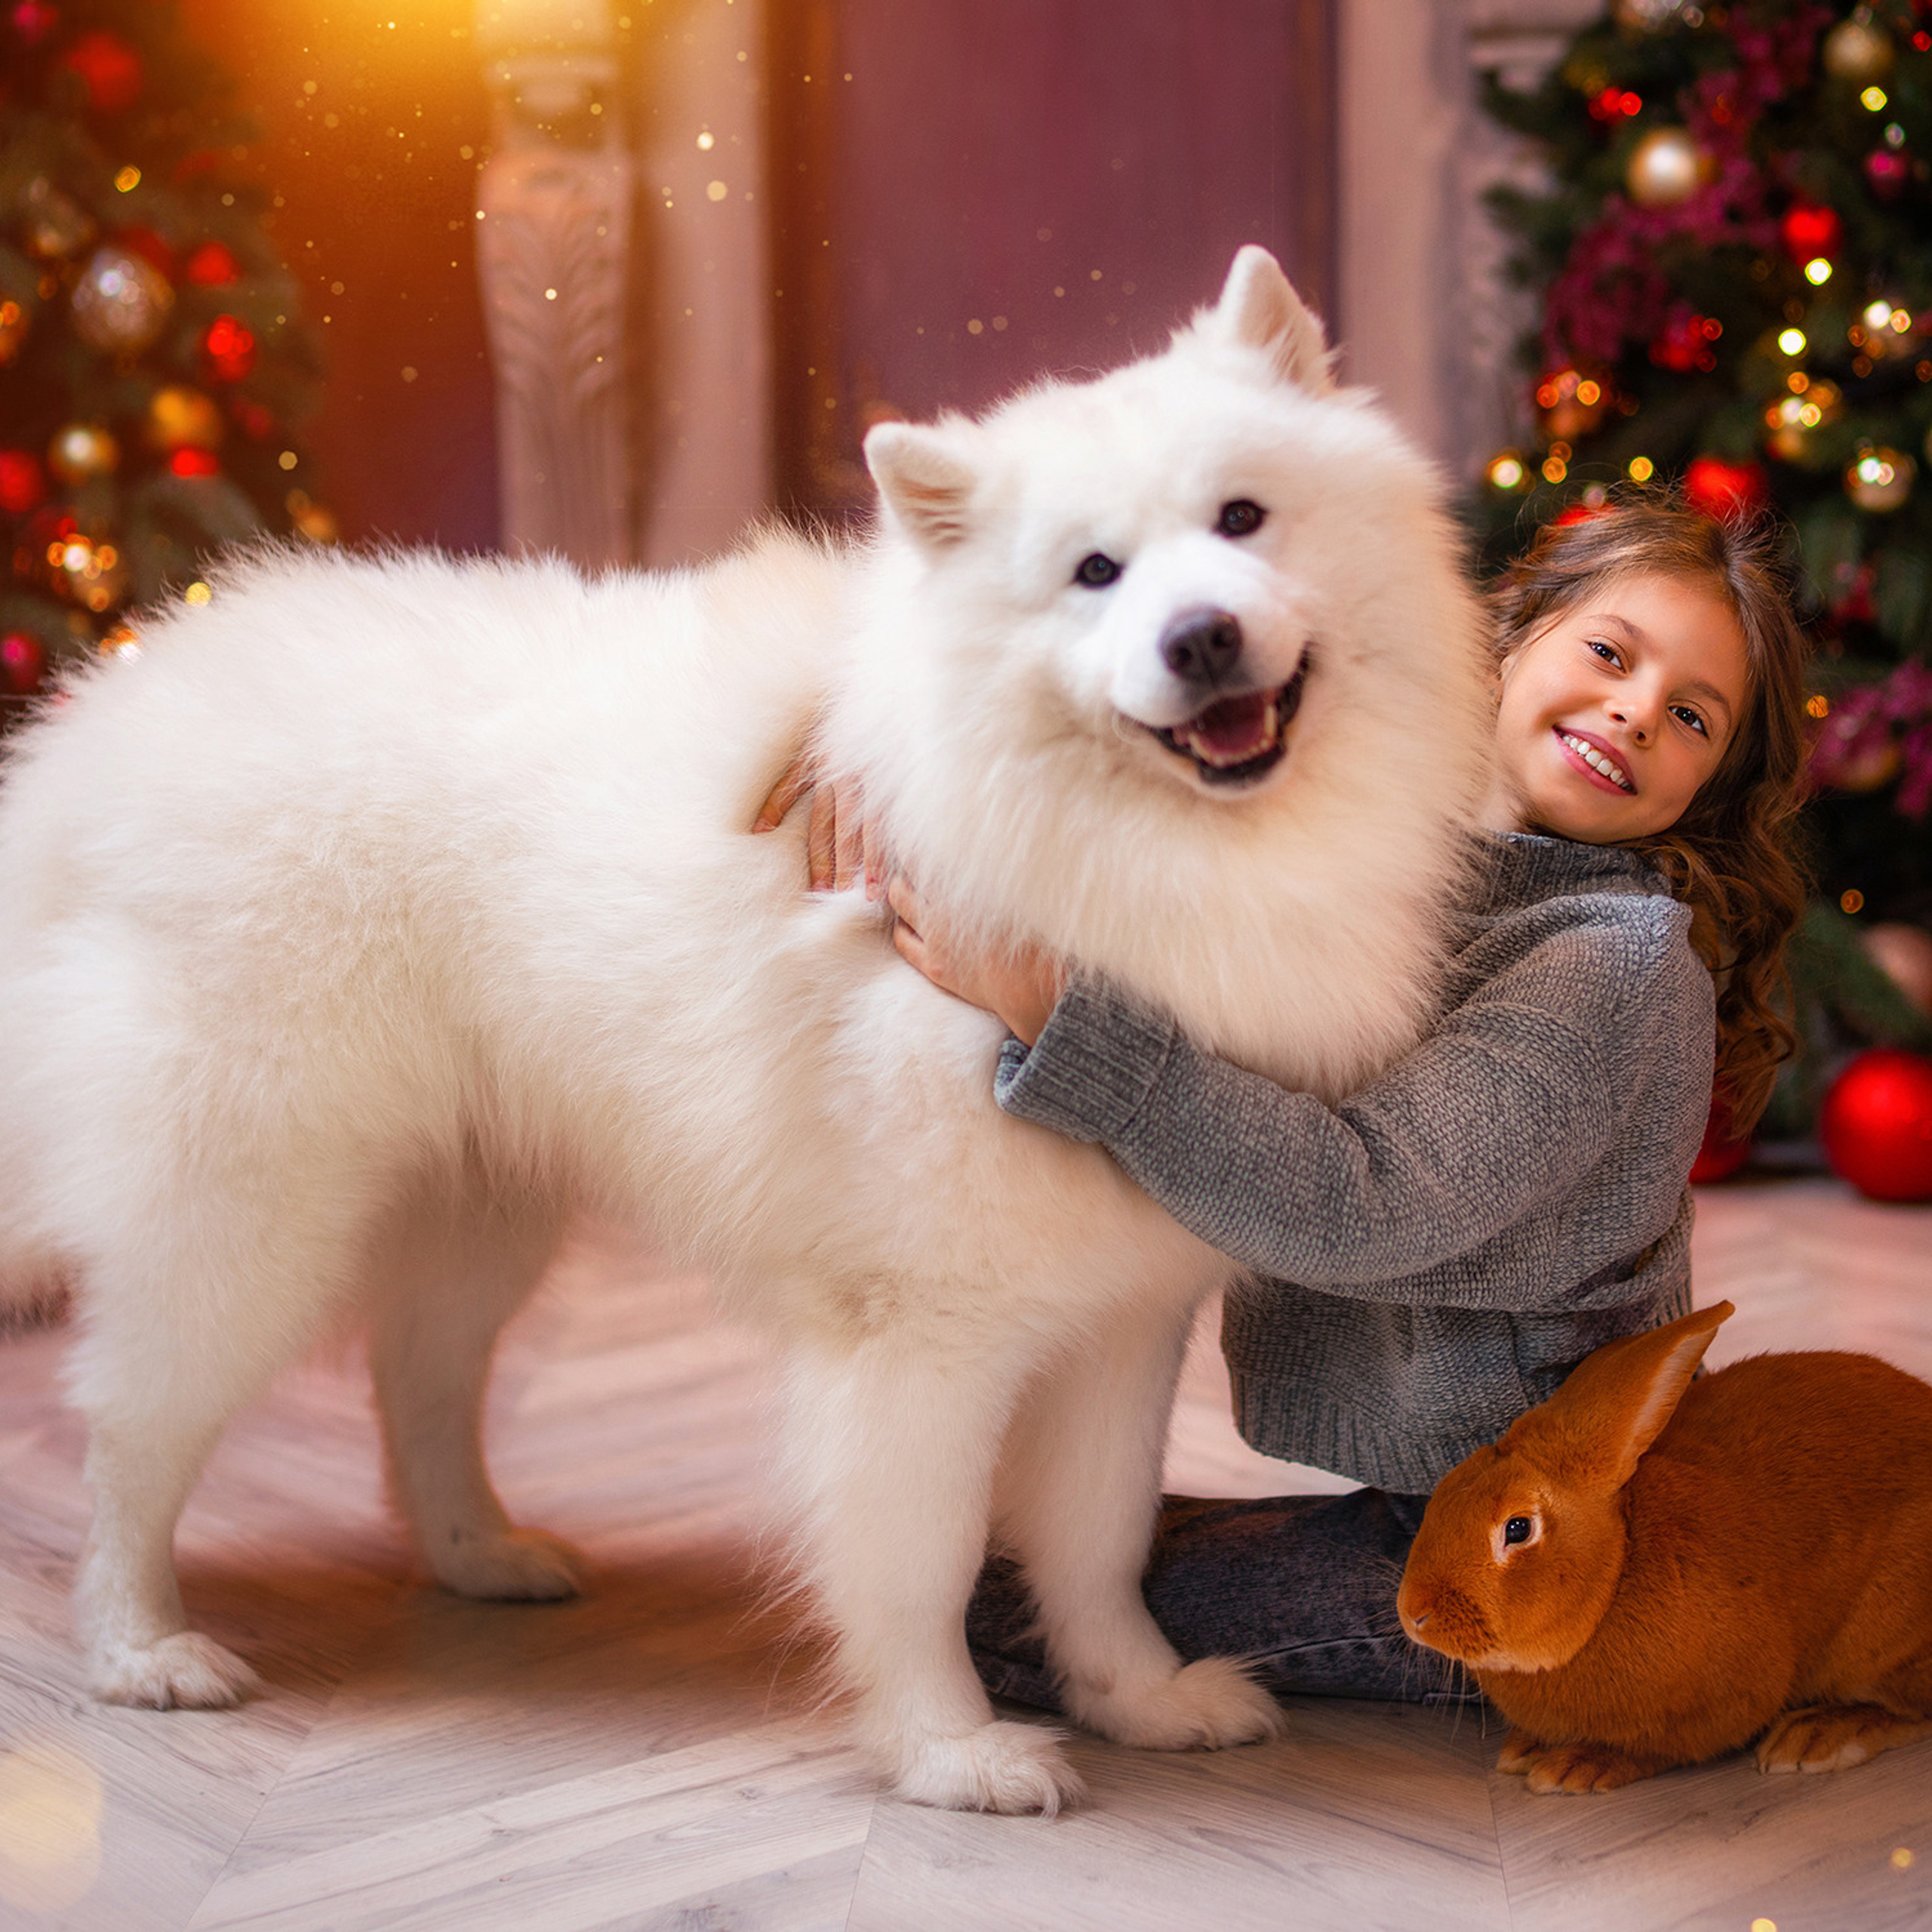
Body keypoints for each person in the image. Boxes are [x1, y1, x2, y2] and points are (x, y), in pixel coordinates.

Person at [758, 494, 1813, 1709]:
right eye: (1611, 653)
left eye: (1691, 717)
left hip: (1521, 1540)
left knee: (1028, 1609)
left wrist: (1058, 1014)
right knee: (1029, 1557)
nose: (1635, 711)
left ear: (1707, 789)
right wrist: (866, 737)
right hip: (1432, 1488)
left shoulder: (1616, 966)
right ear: (1511, 637)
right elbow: (1128, 722)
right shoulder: (1390, 831)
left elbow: (1363, 1205)